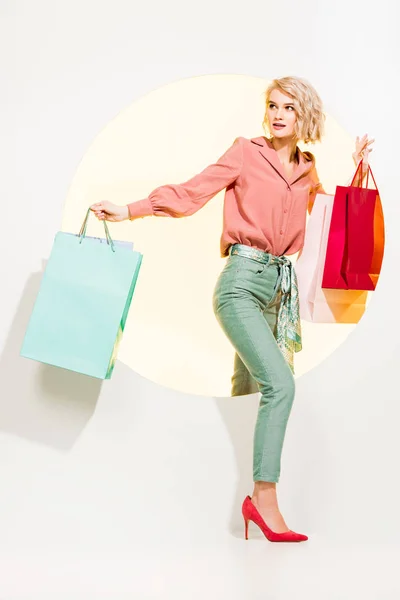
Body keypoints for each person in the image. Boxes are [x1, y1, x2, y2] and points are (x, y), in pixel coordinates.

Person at [91, 76, 374, 543]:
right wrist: (130, 209)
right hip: (240, 286)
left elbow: (326, 219)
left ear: (305, 117)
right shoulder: (246, 151)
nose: (277, 114)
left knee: (248, 392)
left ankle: (233, 502)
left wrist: (359, 173)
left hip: (278, 293)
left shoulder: (307, 168)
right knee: (280, 385)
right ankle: (265, 499)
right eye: (272, 105)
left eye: (288, 107)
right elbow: (193, 191)